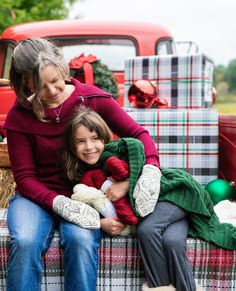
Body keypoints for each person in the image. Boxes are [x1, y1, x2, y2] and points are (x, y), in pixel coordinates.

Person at [4, 37, 165, 291]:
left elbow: (139, 135)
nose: (52, 92)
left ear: (62, 69)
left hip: (84, 196)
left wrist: (148, 171)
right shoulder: (19, 116)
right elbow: (25, 177)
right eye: (41, 87)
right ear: (25, 82)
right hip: (34, 197)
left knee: (80, 240)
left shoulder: (92, 99)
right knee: (25, 241)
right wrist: (58, 203)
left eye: (55, 81)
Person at [62, 106, 141, 236]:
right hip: (100, 222)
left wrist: (127, 184)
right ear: (72, 145)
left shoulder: (117, 160)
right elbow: (74, 207)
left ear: (104, 138)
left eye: (95, 139)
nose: (89, 147)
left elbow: (148, 180)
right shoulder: (73, 171)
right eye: (81, 141)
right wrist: (100, 223)